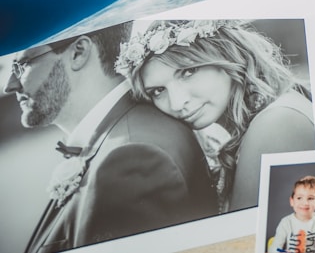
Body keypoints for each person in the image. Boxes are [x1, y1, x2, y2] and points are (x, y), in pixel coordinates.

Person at [4, 23, 218, 253]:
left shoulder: (132, 157)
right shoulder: (124, 140)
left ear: (78, 53)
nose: (10, 85)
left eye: (21, 65)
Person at [121, 20, 315, 212]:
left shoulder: (277, 125)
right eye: (158, 91)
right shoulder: (263, 120)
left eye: (188, 72)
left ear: (225, 53)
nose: (177, 103)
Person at [268, 175, 315, 253]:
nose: (305, 203)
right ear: (292, 201)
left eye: (310, 198)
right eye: (299, 198)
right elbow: (274, 249)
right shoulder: (286, 222)